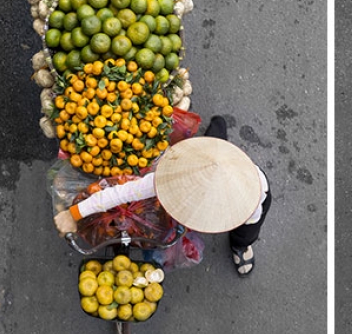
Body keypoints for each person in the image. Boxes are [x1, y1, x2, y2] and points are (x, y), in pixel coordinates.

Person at [54, 116, 271, 277]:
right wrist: (75, 213)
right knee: (211, 152)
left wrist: (243, 237)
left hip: (242, 181)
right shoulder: (171, 176)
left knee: (247, 232)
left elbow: (251, 219)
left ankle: (240, 246)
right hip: (208, 157)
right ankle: (216, 132)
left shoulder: (252, 195)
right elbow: (121, 193)